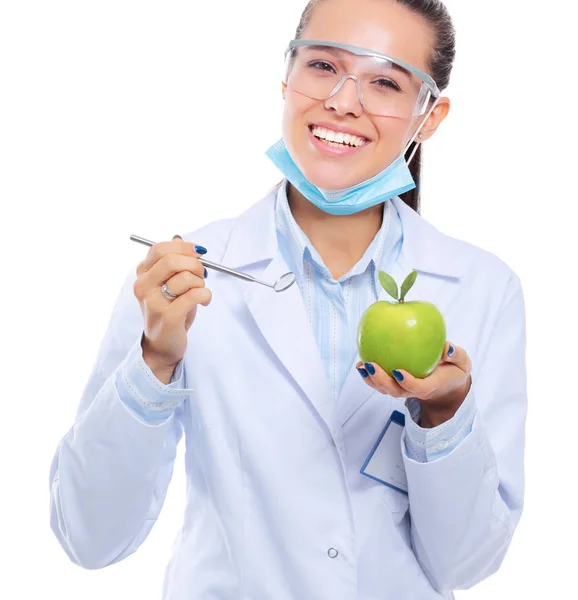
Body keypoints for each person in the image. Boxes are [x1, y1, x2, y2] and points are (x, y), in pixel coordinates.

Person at [49, 0, 527, 598]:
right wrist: (154, 361)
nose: (344, 101)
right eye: (324, 66)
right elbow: (90, 537)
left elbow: (467, 564)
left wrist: (445, 414)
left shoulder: (483, 288)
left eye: (384, 81)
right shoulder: (181, 277)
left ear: (429, 116)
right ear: (286, 77)